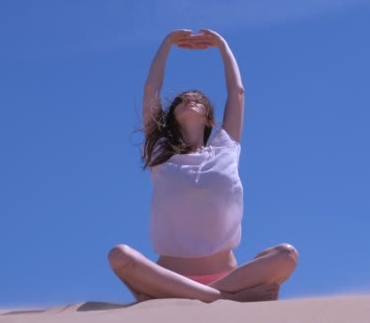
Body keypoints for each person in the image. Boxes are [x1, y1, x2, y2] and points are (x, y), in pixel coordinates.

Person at [108, 29, 299, 303]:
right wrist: (167, 44)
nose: (190, 100)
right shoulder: (160, 152)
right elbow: (151, 90)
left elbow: (237, 92)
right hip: (169, 276)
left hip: (230, 276)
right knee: (119, 256)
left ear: (209, 118)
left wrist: (221, 45)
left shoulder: (225, 149)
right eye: (182, 100)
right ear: (172, 115)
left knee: (286, 255)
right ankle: (223, 299)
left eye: (197, 99)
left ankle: (202, 295)